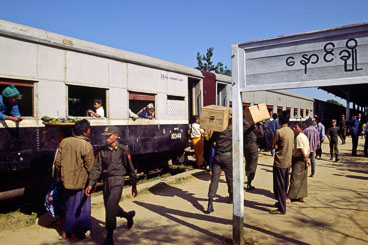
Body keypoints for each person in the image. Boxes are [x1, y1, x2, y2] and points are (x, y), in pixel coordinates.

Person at [85, 126, 138, 245]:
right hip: (106, 181)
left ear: (116, 136)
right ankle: (128, 215)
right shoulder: (102, 150)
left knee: (110, 206)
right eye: (105, 136)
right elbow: (97, 168)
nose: (106, 138)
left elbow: (130, 168)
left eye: (109, 135)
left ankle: (109, 236)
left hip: (118, 181)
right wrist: (91, 183)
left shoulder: (123, 150)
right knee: (111, 206)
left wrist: (133, 185)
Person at [55, 119, 95, 240]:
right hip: (81, 183)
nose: (89, 131)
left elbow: (57, 162)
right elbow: (90, 167)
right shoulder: (86, 145)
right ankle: (77, 233)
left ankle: (65, 232)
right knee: (81, 207)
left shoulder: (64, 142)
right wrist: (93, 183)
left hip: (66, 182)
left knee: (69, 206)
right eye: (89, 129)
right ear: (85, 132)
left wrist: (62, 176)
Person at [43, 126, 73, 239]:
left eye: (61, 136)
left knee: (63, 203)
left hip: (65, 180)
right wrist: (46, 130)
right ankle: (61, 221)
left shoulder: (69, 147)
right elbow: (47, 142)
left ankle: (65, 228)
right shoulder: (58, 145)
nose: (58, 138)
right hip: (57, 178)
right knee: (55, 200)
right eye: (58, 136)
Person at [269, 111, 294, 215]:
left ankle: (281, 209)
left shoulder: (279, 132)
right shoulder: (291, 131)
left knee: (278, 186)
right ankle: (281, 203)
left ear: (280, 120)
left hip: (279, 162)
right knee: (284, 185)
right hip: (288, 161)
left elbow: (271, 145)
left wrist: (275, 146)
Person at [206, 118, 233, 214]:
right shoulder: (233, 133)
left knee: (214, 180)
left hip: (217, 157)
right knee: (230, 179)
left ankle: (210, 203)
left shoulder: (217, 132)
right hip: (228, 158)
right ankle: (231, 197)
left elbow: (211, 141)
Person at [286, 122, 310, 204]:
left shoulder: (299, 137)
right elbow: (309, 149)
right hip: (304, 158)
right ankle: (301, 196)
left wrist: (304, 158)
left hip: (299, 159)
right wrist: (306, 158)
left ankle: (290, 197)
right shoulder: (304, 136)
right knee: (302, 178)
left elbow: (301, 149)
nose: (294, 128)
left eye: (296, 127)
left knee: (294, 178)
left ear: (300, 128)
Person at [244, 120, 264, 191]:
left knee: (248, 161)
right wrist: (259, 126)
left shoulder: (244, 123)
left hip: (245, 145)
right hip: (253, 145)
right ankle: (249, 182)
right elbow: (261, 134)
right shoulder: (254, 125)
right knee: (253, 163)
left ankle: (248, 176)